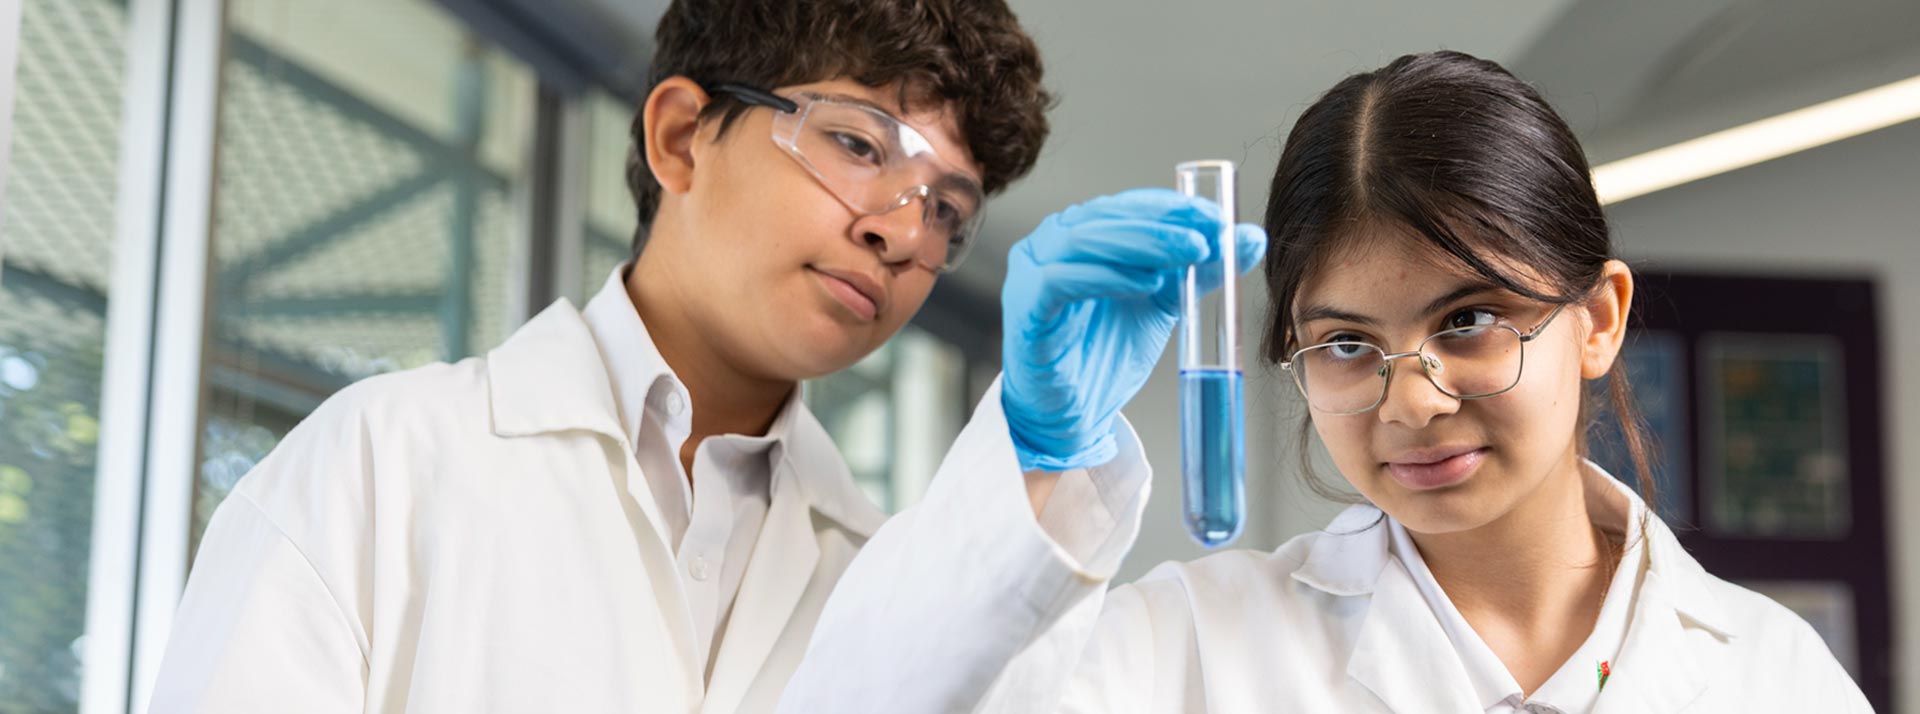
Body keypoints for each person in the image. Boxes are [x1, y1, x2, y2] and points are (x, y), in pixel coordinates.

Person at [146, 1, 1264, 711]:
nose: (899, 232)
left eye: (947, 210)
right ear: (681, 136)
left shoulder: (883, 576)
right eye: (857, 144)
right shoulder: (381, 462)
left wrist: (1043, 460)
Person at [779, 50, 1872, 713]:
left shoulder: (1773, 678)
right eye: (1347, 344)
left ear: (1597, 320)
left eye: (1469, 322)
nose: (1412, 401)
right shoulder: (1193, 649)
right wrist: (1036, 451)